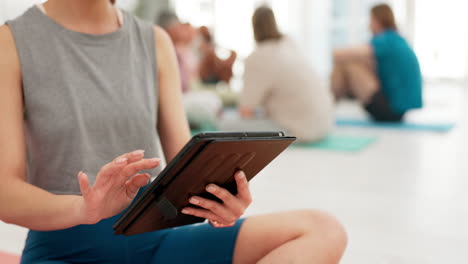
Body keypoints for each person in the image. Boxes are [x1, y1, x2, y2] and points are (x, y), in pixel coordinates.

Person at [0, 1, 347, 264]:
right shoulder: (11, 42)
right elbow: (6, 194)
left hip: (156, 238)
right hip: (67, 247)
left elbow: (185, 165)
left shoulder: (154, 40)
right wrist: (83, 210)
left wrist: (217, 199)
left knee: (322, 230)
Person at [219, 6, 334, 143]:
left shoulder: (258, 57)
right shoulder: (289, 44)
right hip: (324, 124)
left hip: (298, 130)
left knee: (225, 125)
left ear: (254, 27)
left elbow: (245, 111)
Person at [331, 3, 422, 122]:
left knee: (348, 65)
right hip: (398, 110)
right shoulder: (395, 39)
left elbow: (344, 54)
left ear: (377, 20)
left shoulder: (386, 40)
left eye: (370, 20)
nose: (369, 25)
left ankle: (325, 106)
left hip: (391, 110)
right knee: (350, 64)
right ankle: (326, 105)